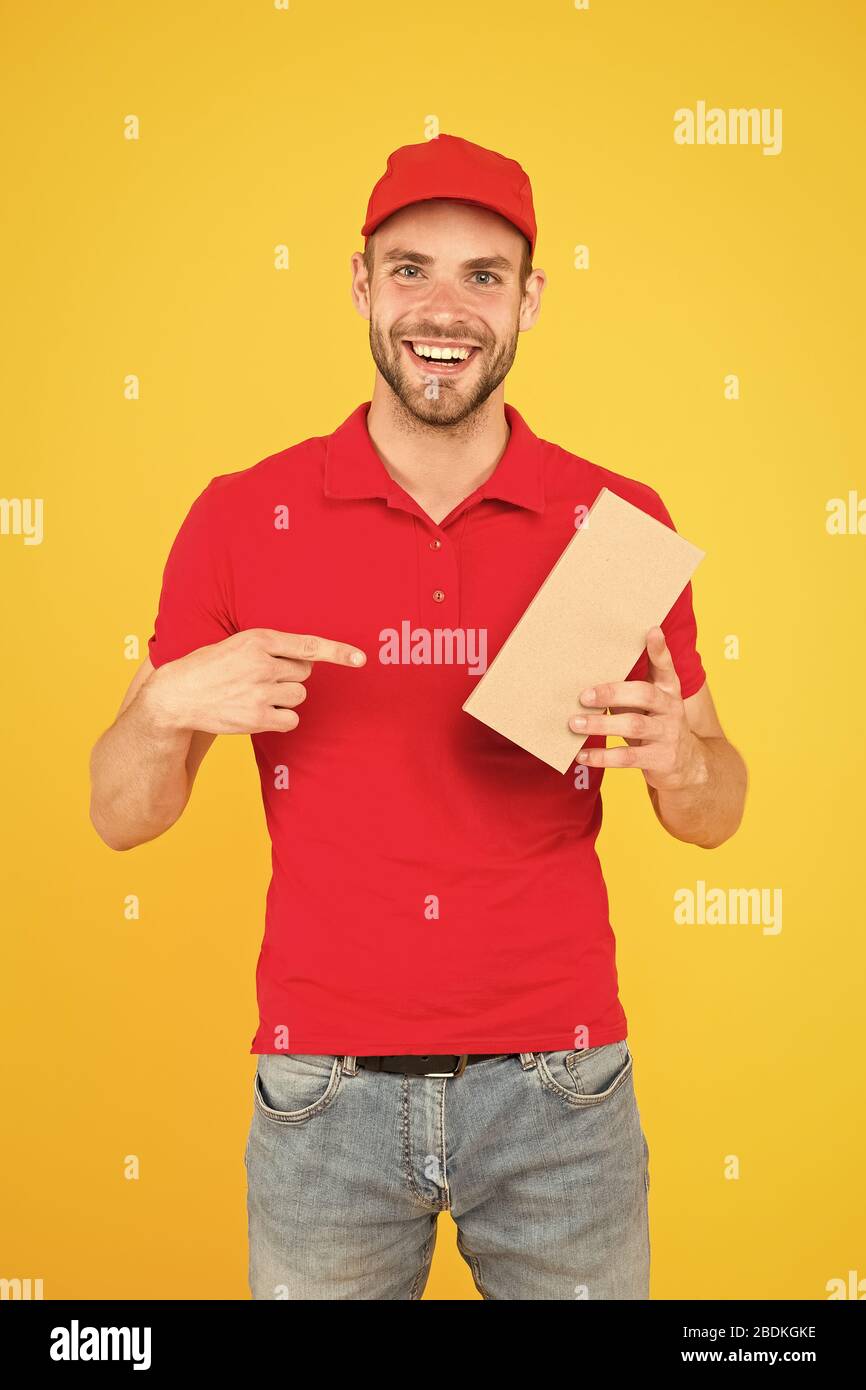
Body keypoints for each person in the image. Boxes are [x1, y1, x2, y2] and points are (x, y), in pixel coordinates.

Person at [89, 133, 747, 1300]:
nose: (443, 308)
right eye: (409, 269)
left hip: (563, 1092)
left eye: (482, 276)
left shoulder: (613, 522)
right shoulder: (243, 516)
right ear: (358, 284)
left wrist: (676, 755)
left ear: (528, 301)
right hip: (319, 1096)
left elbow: (714, 815)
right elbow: (121, 819)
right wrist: (161, 709)